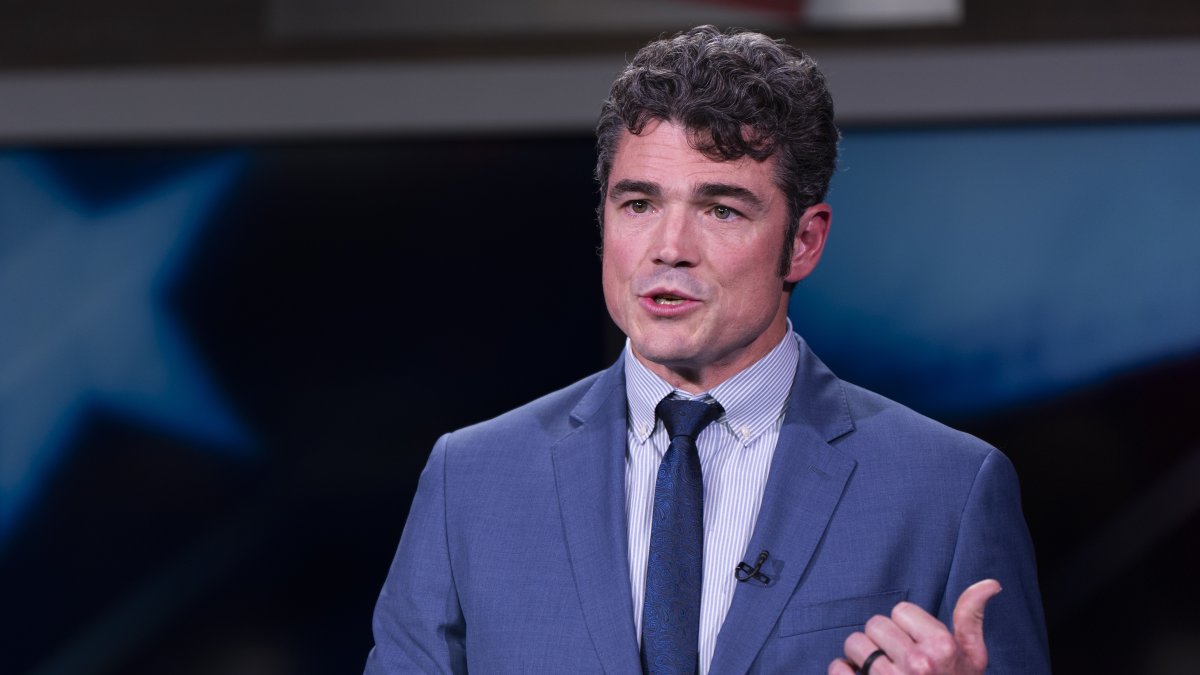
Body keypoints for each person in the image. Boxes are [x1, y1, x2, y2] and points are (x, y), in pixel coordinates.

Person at [364, 25, 1050, 674]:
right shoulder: (473, 479)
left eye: (721, 209)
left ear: (804, 241)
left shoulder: (948, 489)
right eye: (638, 203)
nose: (670, 248)